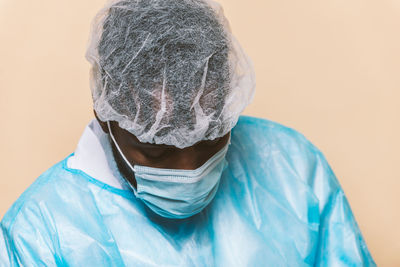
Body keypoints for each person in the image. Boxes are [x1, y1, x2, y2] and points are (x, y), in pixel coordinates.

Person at [0, 0, 376, 266]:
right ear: (106, 116)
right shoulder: (41, 236)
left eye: (210, 138)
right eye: (159, 152)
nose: (190, 168)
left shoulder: (294, 169)